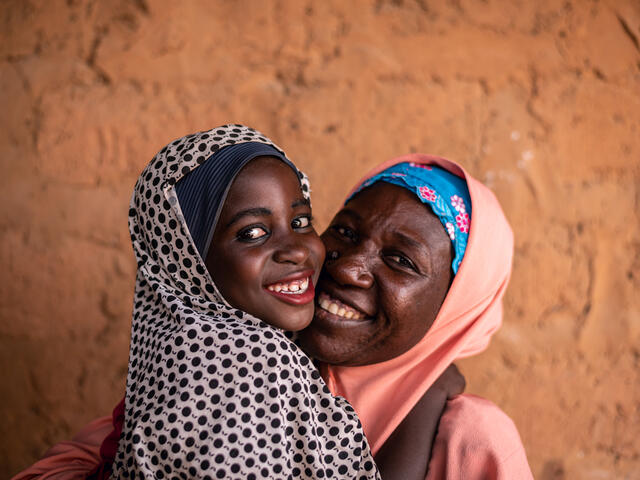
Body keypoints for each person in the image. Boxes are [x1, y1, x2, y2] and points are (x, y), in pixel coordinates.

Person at [11, 127, 462, 480]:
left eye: (302, 220)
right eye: (251, 234)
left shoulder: (187, 350)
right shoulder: (244, 362)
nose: (299, 250)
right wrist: (430, 398)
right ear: (189, 259)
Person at [297, 156, 534, 479]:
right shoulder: (252, 363)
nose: (346, 269)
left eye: (400, 260)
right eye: (344, 231)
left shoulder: (472, 441)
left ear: (454, 307)